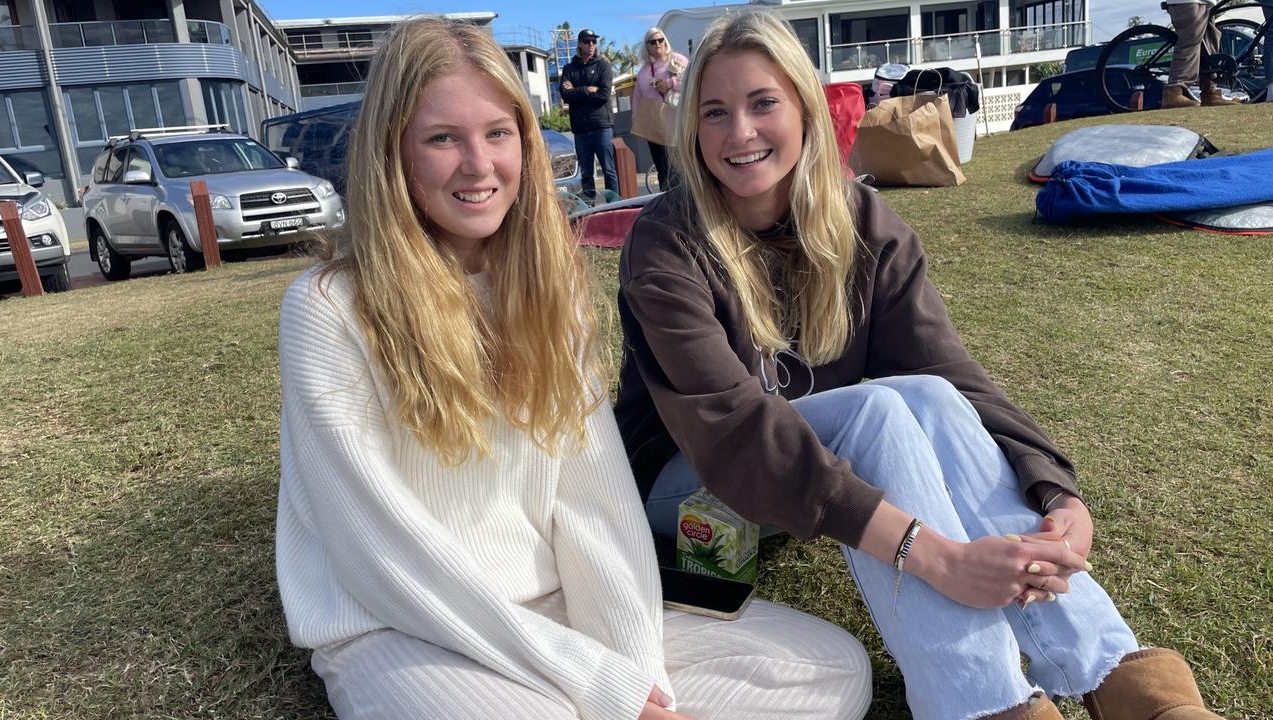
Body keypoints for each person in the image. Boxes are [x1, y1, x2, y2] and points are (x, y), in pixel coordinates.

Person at [614, 11, 1227, 720]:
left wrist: (1059, 495)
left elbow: (954, 377)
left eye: (762, 103)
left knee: (928, 396)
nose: (740, 133)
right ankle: (982, 702)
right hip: (685, 488)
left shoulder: (862, 222)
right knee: (874, 410)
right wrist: (936, 556)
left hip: (801, 473)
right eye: (715, 113)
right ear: (692, 130)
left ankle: (1115, 671)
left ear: (805, 110)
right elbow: (734, 433)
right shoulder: (666, 244)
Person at [276, 15, 873, 720]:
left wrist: (636, 671)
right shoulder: (326, 309)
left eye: (499, 134)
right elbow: (384, 558)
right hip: (406, 627)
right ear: (393, 152)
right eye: (443, 138)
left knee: (832, 670)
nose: (479, 165)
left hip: (559, 606)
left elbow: (596, 498)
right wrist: (599, 685)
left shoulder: (544, 288)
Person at [561, 28, 618, 201]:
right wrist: (587, 89)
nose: (591, 44)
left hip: (601, 126)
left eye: (593, 41)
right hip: (581, 129)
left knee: (609, 171)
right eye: (587, 41)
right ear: (580, 44)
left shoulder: (603, 65)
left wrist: (577, 92)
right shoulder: (570, 68)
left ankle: (615, 206)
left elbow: (603, 95)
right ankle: (589, 211)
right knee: (586, 173)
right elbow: (565, 95)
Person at [632, 27, 689, 190]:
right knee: (662, 167)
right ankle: (666, 202)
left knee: (680, 166)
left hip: (677, 120)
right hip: (654, 124)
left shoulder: (678, 60)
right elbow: (637, 97)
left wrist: (670, 84)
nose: (657, 44)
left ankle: (686, 200)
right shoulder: (643, 72)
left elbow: (691, 81)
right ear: (647, 46)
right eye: (652, 41)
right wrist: (636, 120)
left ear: (665, 41)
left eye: (660, 40)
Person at [1161, 0, 1240, 108]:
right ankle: (1173, 92)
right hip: (1188, 2)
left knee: (1210, 47)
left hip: (1206, 2)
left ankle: (1210, 93)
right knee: (1189, 44)